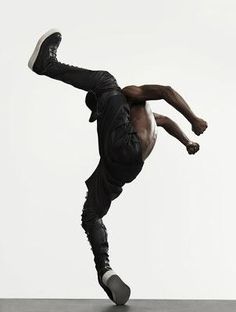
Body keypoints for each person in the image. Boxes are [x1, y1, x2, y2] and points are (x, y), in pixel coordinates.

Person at [28, 29, 208, 306]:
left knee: (107, 82)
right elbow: (166, 111)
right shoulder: (138, 112)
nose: (103, 111)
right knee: (91, 215)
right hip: (126, 166)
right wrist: (188, 137)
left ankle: (47, 65)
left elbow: (166, 96)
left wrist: (191, 128)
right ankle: (105, 272)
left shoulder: (129, 97)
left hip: (123, 153)